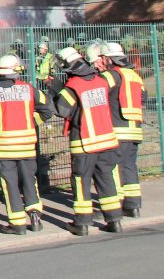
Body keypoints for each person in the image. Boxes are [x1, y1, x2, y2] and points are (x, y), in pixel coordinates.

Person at [0, 54, 54, 234]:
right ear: (16, 72)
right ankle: (35, 217)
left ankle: (17, 224)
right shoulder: (29, 89)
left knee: (10, 185)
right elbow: (48, 109)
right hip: (26, 147)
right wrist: (32, 122)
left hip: (4, 148)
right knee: (30, 182)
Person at [53, 46, 123, 236]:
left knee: (80, 180)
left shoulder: (73, 86)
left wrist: (55, 90)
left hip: (84, 142)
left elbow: (62, 110)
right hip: (106, 140)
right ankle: (114, 220)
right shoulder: (100, 81)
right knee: (106, 178)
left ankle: (82, 222)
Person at [103, 41, 145, 217]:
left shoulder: (113, 75)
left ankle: (116, 204)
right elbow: (144, 97)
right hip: (135, 128)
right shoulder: (135, 76)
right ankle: (133, 205)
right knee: (129, 166)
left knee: (113, 168)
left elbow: (99, 92)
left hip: (117, 129)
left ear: (109, 60)